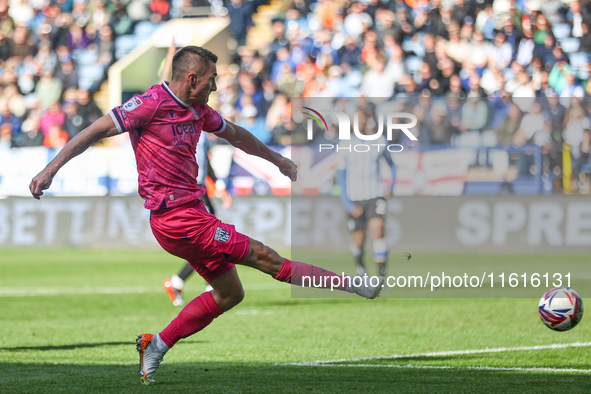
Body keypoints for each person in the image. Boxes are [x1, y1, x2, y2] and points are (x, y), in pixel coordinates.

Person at [29, 46, 384, 386]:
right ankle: (350, 282)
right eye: (213, 79)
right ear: (193, 78)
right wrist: (50, 170)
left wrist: (277, 160)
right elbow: (93, 132)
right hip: (176, 219)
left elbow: (238, 135)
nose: (216, 86)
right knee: (265, 257)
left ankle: (156, 345)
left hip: (193, 214)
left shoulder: (199, 110)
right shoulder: (150, 105)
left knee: (230, 294)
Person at [163, 132, 233, 307]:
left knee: (211, 240)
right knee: (211, 238)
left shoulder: (199, 131)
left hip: (200, 189)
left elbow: (203, 162)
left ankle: (183, 283)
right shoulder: (182, 127)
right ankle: (207, 286)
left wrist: (217, 183)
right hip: (188, 189)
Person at [336, 108, 396, 280]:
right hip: (354, 197)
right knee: (359, 241)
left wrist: (390, 185)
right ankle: (361, 268)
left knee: (378, 231)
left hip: (375, 194)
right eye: (357, 118)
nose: (360, 121)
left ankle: (382, 277)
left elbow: (392, 164)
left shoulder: (379, 141)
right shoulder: (344, 145)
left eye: (363, 117)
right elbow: (340, 175)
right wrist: (347, 203)